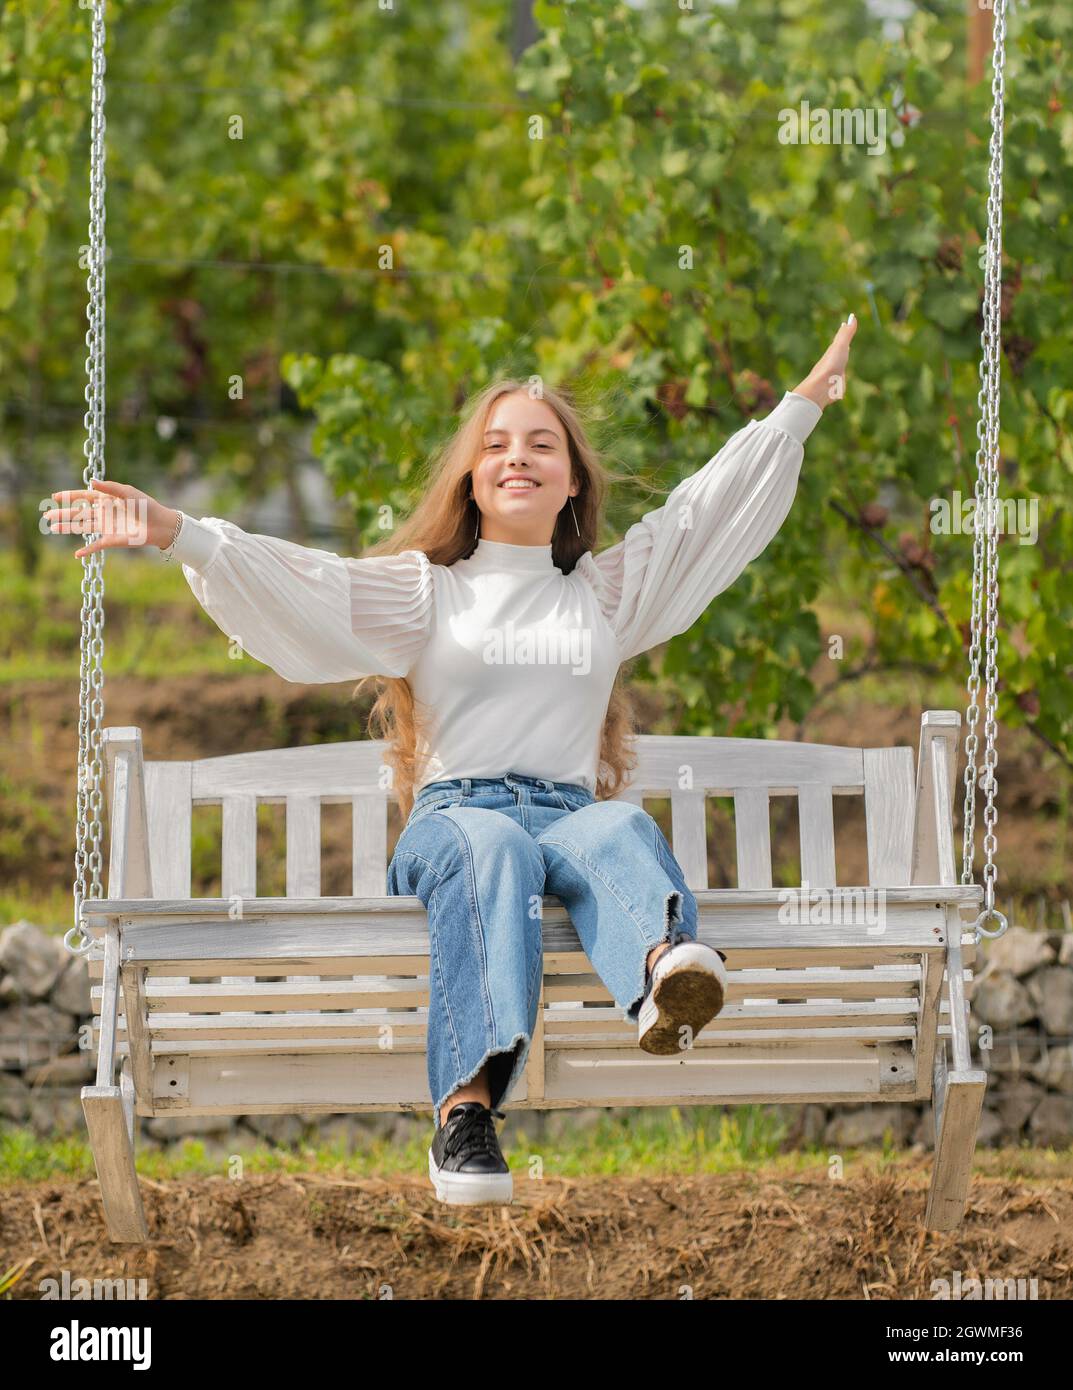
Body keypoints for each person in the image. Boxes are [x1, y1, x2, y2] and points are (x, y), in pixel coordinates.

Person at [46, 316, 857, 1205]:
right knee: (494, 846)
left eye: (542, 445)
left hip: (567, 811)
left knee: (619, 823)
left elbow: (698, 519)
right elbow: (306, 585)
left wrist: (799, 407)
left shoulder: (605, 595)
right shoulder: (425, 592)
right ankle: (464, 1117)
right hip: (454, 820)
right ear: (472, 477)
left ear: (572, 479)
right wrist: (176, 532)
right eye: (497, 444)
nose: (519, 456)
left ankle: (666, 973)